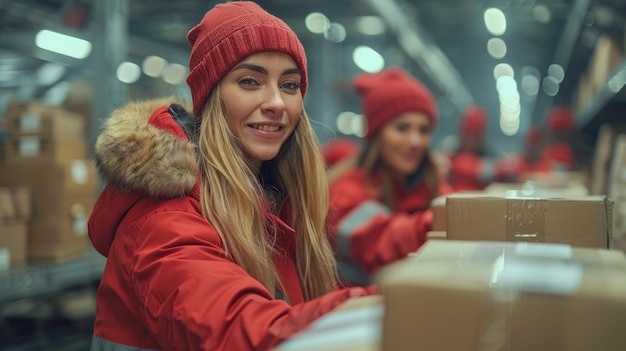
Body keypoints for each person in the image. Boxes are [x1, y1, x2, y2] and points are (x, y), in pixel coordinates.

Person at [87, 2, 375, 351]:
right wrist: (400, 300)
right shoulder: (161, 221)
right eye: (250, 81)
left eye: (289, 85)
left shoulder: (276, 204)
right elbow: (240, 331)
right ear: (210, 97)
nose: (277, 103)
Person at [326, 67, 453, 286]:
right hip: (355, 309)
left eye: (423, 130)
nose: (415, 141)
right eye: (402, 128)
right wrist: (443, 222)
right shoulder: (346, 189)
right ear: (377, 134)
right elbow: (379, 237)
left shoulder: (429, 182)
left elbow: (455, 206)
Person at [446, 105, 498, 191]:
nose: (471, 139)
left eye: (475, 135)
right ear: (461, 133)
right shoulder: (450, 152)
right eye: (468, 134)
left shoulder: (489, 160)